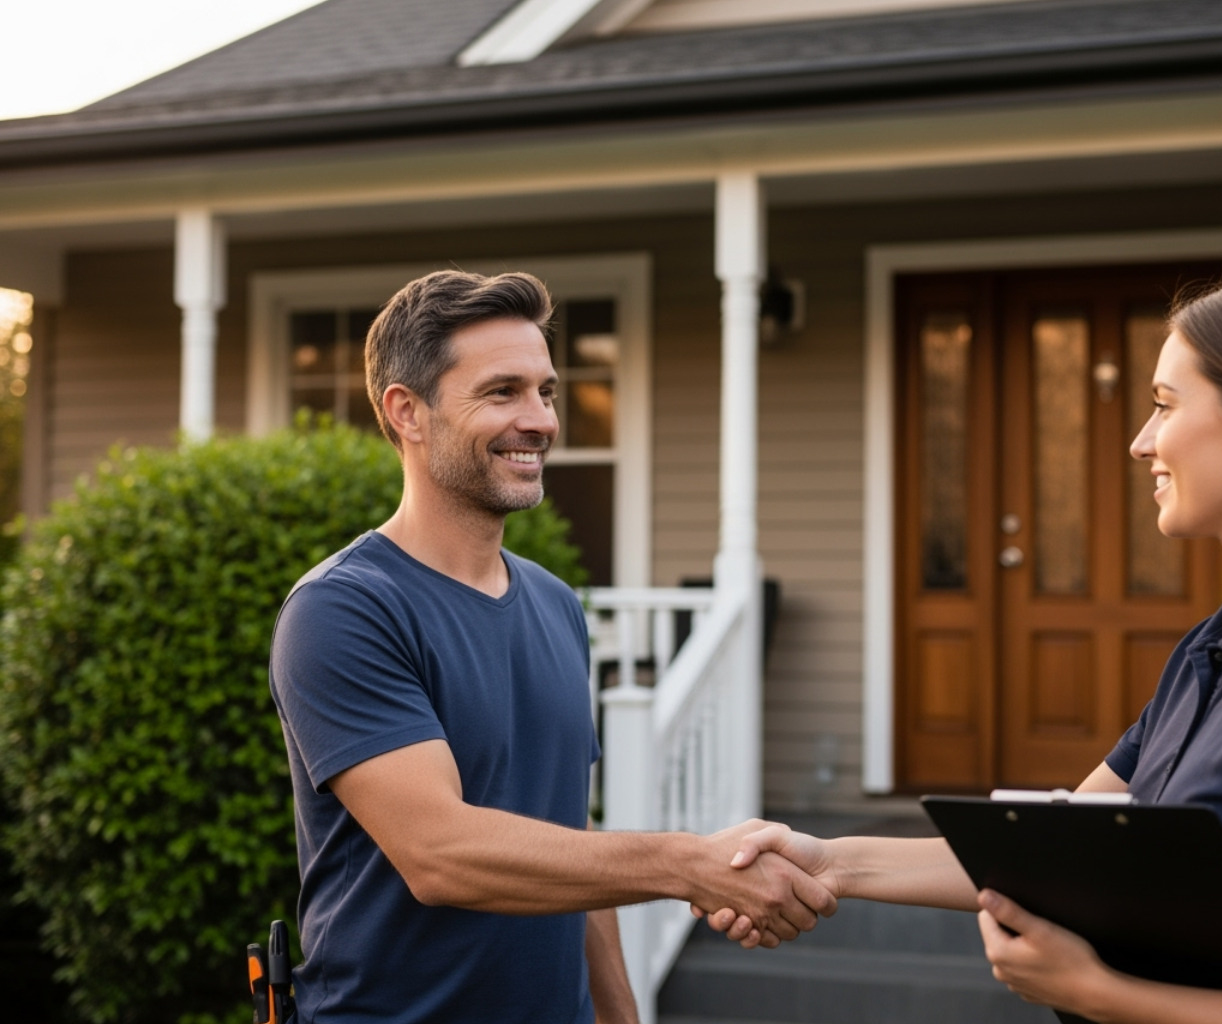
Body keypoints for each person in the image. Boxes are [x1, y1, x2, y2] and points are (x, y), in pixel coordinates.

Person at [704, 275, 1222, 1024]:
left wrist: (1100, 993)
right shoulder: (1216, 649)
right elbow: (1045, 848)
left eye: (1164, 405)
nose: (1140, 442)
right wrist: (828, 860)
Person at [269, 269, 835, 1024]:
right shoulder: (345, 609)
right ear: (407, 411)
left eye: (547, 391)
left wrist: (621, 1016)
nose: (540, 420)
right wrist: (689, 865)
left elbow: (572, 830)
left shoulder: (554, 603)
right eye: (502, 392)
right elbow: (441, 854)